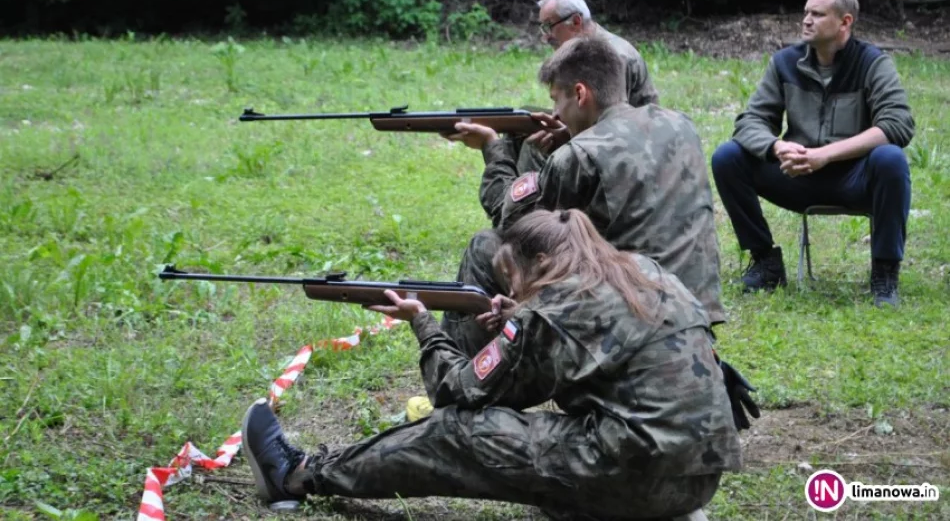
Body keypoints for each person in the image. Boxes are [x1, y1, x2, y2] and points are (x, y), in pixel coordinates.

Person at [241, 209, 742, 520]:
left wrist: (423, 324)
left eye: (513, 277)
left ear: (540, 263)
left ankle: (298, 475)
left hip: (643, 484)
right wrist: (521, 318)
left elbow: (456, 392)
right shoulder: (649, 273)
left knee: (456, 432)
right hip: (699, 480)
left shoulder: (551, 311)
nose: (515, 290)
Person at [443, 35, 725, 357]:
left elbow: (512, 223)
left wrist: (492, 147)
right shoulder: (681, 125)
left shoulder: (578, 156)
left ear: (580, 93)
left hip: (633, 317)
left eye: (556, 100)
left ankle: (461, 373)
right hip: (694, 309)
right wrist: (574, 136)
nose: (554, 113)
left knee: (484, 247)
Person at [710, 0, 915, 307]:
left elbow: (898, 124)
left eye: (817, 14)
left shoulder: (872, 63)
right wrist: (777, 148)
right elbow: (750, 122)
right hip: (797, 176)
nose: (806, 20)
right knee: (727, 157)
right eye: (806, 12)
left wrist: (825, 155)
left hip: (854, 180)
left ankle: (885, 273)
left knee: (891, 159)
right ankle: (765, 263)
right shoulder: (784, 63)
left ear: (845, 22)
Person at [515, 0, 660, 170]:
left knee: (534, 146)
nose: (545, 37)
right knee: (522, 122)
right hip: (602, 128)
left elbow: (614, 124)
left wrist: (562, 135)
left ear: (576, 21)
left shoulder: (612, 55)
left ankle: (525, 187)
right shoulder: (583, 50)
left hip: (631, 143)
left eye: (549, 26)